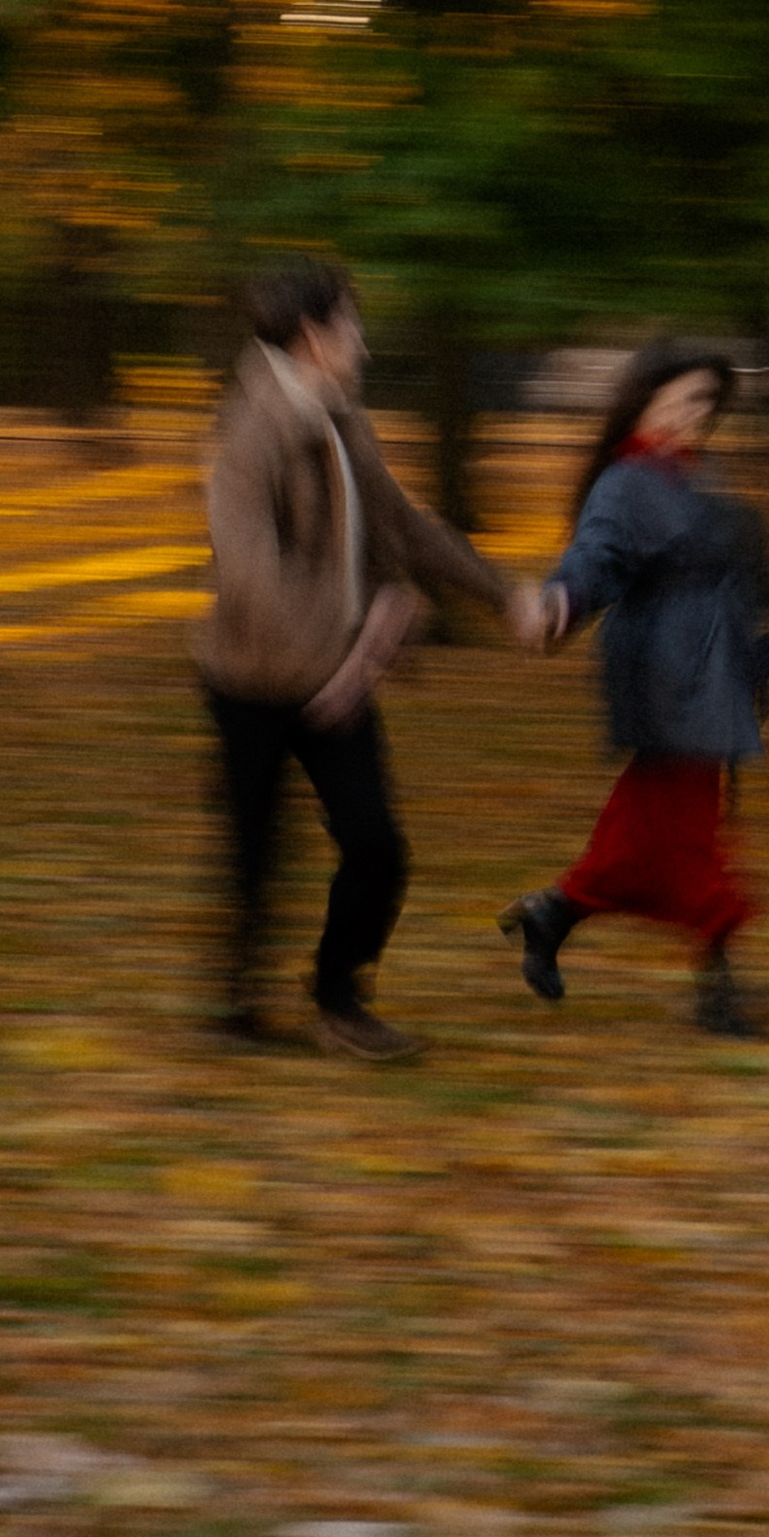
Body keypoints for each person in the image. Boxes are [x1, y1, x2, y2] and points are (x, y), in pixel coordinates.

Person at [198, 258, 536, 1058]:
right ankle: (236, 1006)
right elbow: (249, 574)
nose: (365, 344)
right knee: (255, 847)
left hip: (335, 676)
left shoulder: (342, 416)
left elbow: (406, 526)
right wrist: (351, 658)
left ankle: (339, 999)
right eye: (353, 325)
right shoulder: (249, 434)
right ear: (315, 336)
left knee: (377, 846)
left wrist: (502, 594)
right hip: (251, 678)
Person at [500, 337, 769, 1039]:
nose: (694, 412)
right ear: (646, 397)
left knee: (648, 842)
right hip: (669, 685)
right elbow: (595, 556)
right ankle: (721, 1000)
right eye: (682, 396)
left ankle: (552, 915)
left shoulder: (698, 476)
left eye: (707, 400)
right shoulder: (629, 482)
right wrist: (560, 600)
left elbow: (739, 599)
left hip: (716, 682)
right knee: (697, 847)